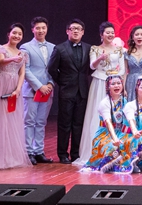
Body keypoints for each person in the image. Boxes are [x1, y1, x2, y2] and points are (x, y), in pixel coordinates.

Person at [76, 22, 127, 165]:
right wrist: (100, 58)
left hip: (114, 83)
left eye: (112, 32)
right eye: (107, 32)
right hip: (99, 82)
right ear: (101, 34)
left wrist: (116, 82)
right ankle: (94, 151)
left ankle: (114, 149)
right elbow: (92, 66)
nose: (110, 35)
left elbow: (122, 70)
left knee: (115, 114)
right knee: (96, 114)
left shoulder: (119, 50)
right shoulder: (95, 49)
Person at [0, 23, 32, 170]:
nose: (17, 36)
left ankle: (11, 157)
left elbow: (22, 73)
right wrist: (13, 59)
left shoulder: (23, 53)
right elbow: (1, 61)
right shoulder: (0, 48)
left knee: (12, 119)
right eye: (14, 33)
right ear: (8, 34)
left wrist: (19, 89)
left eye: (20, 34)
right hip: (1, 84)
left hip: (14, 87)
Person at [47, 19, 92, 164]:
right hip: (66, 91)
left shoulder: (89, 48)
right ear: (67, 31)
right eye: (73, 28)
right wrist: (62, 82)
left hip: (83, 91)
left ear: (83, 32)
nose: (76, 31)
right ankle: (62, 154)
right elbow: (52, 68)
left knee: (79, 124)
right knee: (64, 124)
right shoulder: (60, 48)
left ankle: (76, 153)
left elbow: (91, 68)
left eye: (79, 29)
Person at [20, 17, 55, 165]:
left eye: (43, 28)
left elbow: (55, 68)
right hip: (31, 90)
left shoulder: (53, 47)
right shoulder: (25, 47)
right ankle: (28, 152)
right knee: (29, 121)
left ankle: (39, 151)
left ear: (47, 29)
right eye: (38, 28)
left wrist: (50, 84)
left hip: (48, 91)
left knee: (41, 122)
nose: (41, 30)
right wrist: (39, 86)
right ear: (33, 29)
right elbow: (25, 70)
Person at [80, 74, 132, 173]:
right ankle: (110, 165)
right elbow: (108, 123)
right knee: (112, 147)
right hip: (105, 134)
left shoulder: (124, 101)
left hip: (120, 132)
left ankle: (126, 164)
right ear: (108, 87)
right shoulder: (105, 103)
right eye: (113, 84)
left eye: (119, 83)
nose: (116, 86)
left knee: (133, 142)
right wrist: (115, 139)